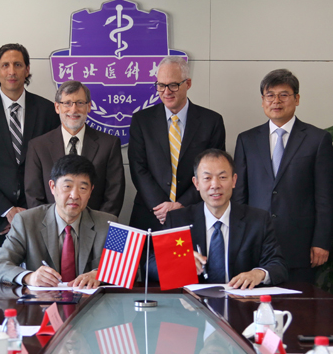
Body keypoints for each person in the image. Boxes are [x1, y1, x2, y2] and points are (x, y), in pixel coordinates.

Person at [0, 43, 61, 282]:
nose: (11, 71)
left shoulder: (47, 110)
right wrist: (7, 211)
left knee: (37, 290)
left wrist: (27, 213)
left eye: (18, 65)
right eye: (5, 65)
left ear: (27, 69)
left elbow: (52, 167)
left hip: (36, 220)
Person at [232, 69, 333, 283]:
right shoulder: (246, 140)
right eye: (270, 95)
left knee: (300, 311)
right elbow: (239, 196)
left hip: (301, 246)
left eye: (284, 95)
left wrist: (321, 242)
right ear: (263, 101)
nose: (276, 101)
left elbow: (325, 197)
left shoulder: (317, 139)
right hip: (255, 243)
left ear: (297, 99)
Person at [150, 149, 287, 289]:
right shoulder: (177, 220)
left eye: (222, 177)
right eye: (207, 178)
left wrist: (258, 274)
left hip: (241, 302)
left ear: (234, 181)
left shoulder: (258, 220)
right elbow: (151, 266)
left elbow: (278, 265)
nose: (215, 185)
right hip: (191, 303)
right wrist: (178, 261)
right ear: (196, 183)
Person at [0, 155, 117, 289]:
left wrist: (99, 274)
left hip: (90, 305)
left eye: (83, 188)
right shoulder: (26, 221)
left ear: (91, 191)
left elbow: (130, 270)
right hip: (41, 306)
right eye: (67, 186)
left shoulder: (109, 223)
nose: (75, 195)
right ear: (53, 187)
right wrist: (29, 277)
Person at [127, 55, 225, 231]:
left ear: (188, 84)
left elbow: (213, 172)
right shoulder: (142, 120)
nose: (166, 91)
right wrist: (161, 206)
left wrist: (180, 204)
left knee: (193, 260)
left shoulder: (211, 121)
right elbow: (137, 168)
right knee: (146, 260)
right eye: (161, 85)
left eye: (173, 85)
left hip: (192, 213)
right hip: (150, 214)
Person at [25, 80, 125, 216]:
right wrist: (50, 227)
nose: (73, 109)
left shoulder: (109, 144)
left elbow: (114, 193)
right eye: (67, 103)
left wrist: (96, 227)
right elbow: (34, 195)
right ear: (57, 107)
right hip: (50, 231)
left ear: (89, 106)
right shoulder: (38, 146)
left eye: (80, 103)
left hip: (96, 230)